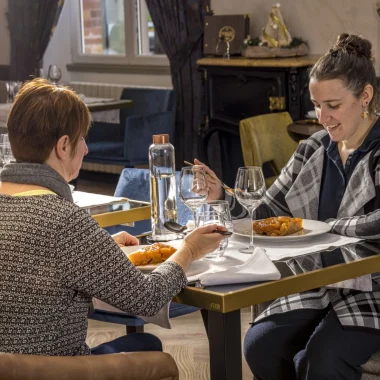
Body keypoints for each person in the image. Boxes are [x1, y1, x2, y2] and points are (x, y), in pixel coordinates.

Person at [195, 33, 380, 379]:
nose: (322, 117)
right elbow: (266, 214)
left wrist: (329, 226)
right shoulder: (313, 149)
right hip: (320, 285)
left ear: (365, 96)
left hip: (373, 291)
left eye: (333, 105)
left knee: (322, 359)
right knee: (259, 345)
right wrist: (221, 195)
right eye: (316, 104)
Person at [0, 78, 227, 356]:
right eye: (82, 138)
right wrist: (190, 249)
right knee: (149, 348)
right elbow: (148, 299)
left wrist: (100, 247)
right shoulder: (65, 221)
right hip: (57, 373)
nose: (86, 149)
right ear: (63, 146)